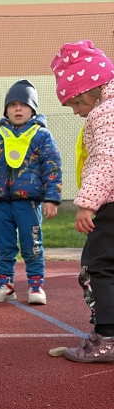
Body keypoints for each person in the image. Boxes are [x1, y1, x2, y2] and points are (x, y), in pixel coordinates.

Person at [50, 40, 114, 363]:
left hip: (110, 206)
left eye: (76, 104)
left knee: (97, 266)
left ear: (90, 89)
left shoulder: (104, 113)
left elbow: (106, 159)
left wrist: (88, 202)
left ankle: (108, 336)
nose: (77, 112)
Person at [0, 80, 62, 305]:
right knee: (4, 246)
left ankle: (36, 285)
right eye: (12, 105)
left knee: (32, 245)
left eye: (23, 104)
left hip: (28, 204)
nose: (18, 109)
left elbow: (52, 166)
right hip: (1, 203)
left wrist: (52, 198)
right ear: (6, 110)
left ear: (33, 109)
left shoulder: (41, 136)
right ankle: (5, 284)